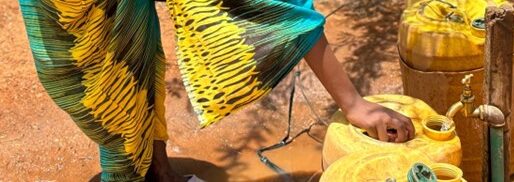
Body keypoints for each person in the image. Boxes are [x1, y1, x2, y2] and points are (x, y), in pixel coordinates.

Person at [18, 0, 414, 181]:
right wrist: (353, 103)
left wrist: (354, 103)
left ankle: (159, 171)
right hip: (62, 12)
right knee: (105, 93)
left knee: (139, 53)